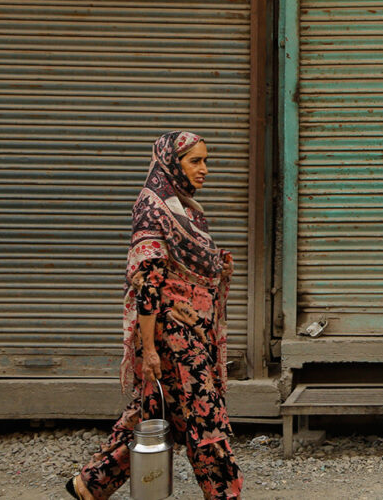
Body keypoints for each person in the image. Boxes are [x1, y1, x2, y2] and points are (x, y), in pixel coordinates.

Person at [66, 131, 242, 499]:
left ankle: (90, 483)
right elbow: (148, 284)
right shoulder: (153, 209)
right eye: (195, 161)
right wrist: (149, 351)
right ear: (171, 163)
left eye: (206, 160)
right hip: (173, 339)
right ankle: (225, 493)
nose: (204, 169)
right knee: (205, 417)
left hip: (191, 332)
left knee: (154, 415)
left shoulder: (183, 208)